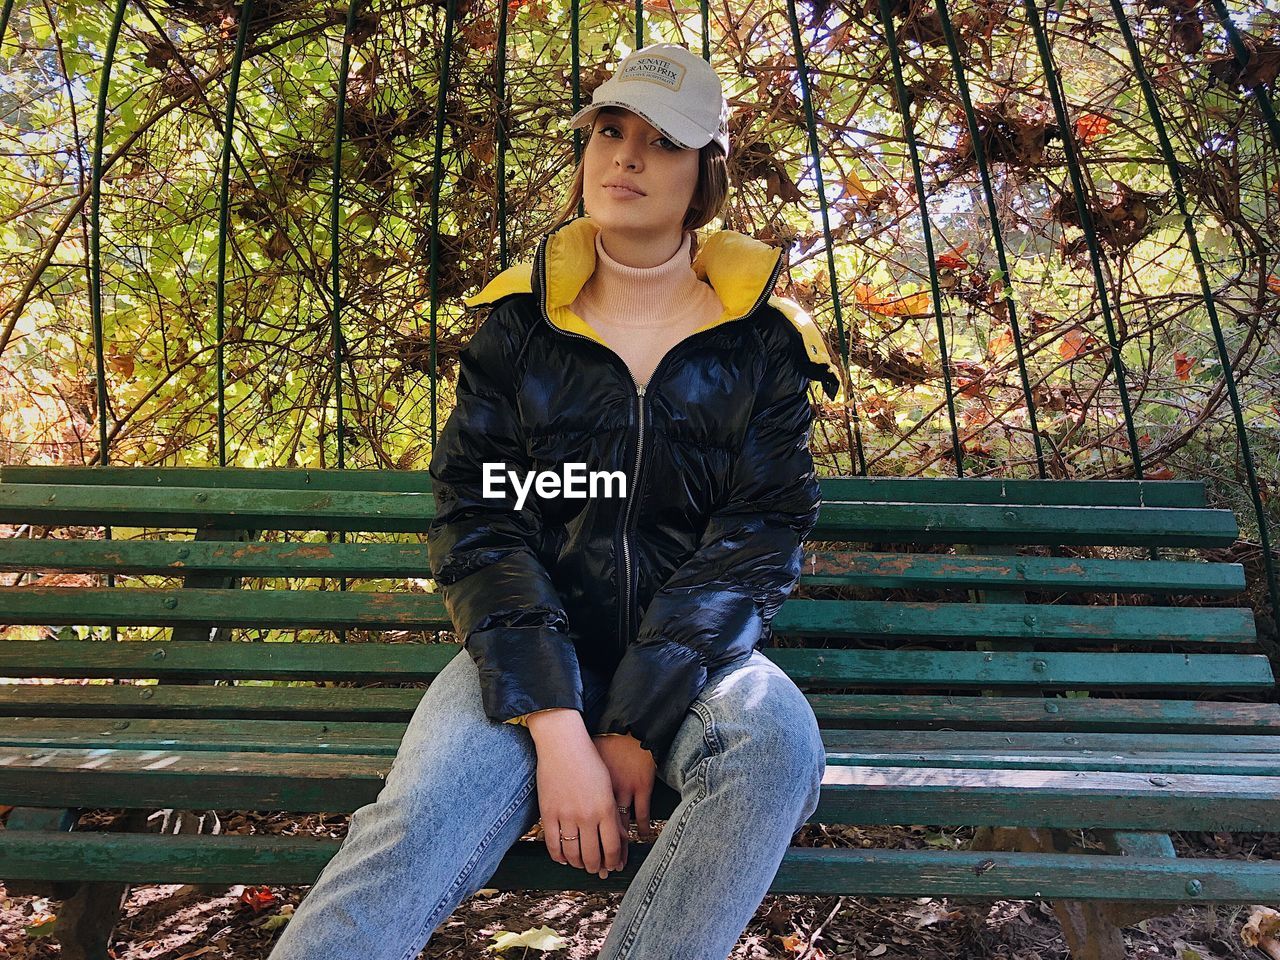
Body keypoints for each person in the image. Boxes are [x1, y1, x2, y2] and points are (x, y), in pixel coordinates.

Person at [267, 41, 842, 960]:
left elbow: (758, 535)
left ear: (704, 175)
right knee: (414, 820)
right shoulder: (518, 328)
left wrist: (637, 721)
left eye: (663, 140)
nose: (627, 157)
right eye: (609, 132)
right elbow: (482, 519)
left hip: (698, 669)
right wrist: (561, 724)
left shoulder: (763, 339)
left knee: (775, 746)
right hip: (533, 654)